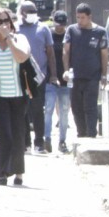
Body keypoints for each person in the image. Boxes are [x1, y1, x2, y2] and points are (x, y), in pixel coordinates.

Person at [0, 7, 31, 185]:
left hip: (18, 93)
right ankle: (2, 172)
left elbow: (21, 58)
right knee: (5, 132)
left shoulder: (20, 39)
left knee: (18, 132)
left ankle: (18, 172)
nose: (3, 25)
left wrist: (9, 39)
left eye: (6, 21)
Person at [63, 3, 109, 139]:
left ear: (89, 17)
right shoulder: (72, 30)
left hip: (92, 76)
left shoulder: (100, 32)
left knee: (90, 106)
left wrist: (104, 74)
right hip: (75, 75)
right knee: (76, 107)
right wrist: (66, 70)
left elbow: (104, 54)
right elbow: (66, 51)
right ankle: (81, 133)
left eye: (82, 17)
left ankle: (91, 134)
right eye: (77, 17)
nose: (79, 21)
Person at [17, 1, 56, 153]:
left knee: (38, 109)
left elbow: (50, 53)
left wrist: (53, 75)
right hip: (20, 75)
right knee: (22, 110)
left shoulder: (43, 28)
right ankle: (25, 143)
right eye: (28, 11)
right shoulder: (16, 28)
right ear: (22, 13)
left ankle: (39, 143)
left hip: (39, 76)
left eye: (33, 10)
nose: (31, 13)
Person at [45, 10, 72, 154]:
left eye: (62, 24)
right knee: (48, 109)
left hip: (66, 78)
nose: (59, 27)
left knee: (64, 111)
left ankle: (62, 141)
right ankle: (47, 139)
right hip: (50, 78)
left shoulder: (69, 34)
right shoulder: (48, 34)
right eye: (57, 24)